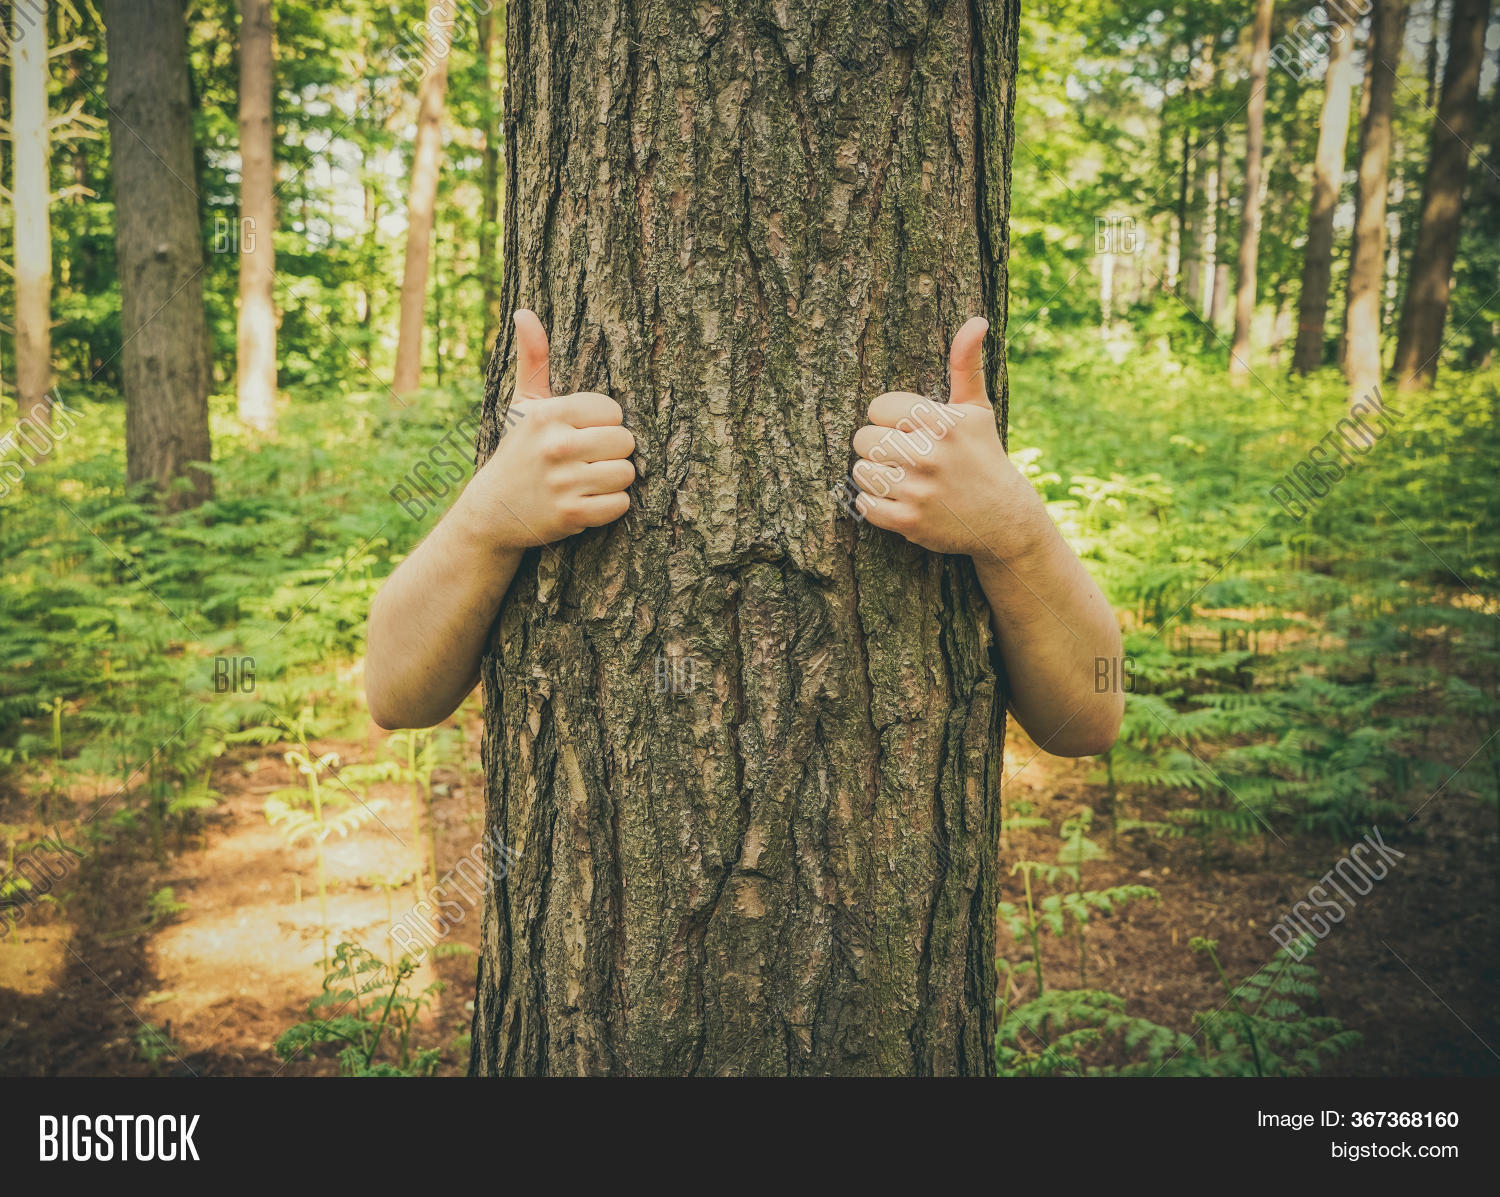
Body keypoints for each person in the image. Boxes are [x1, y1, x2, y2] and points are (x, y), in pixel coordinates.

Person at [366, 309, 1123, 756]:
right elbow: (394, 692)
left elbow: (1092, 716)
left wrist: (1016, 532)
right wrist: (483, 524)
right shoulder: (529, 438)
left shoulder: (970, 461)